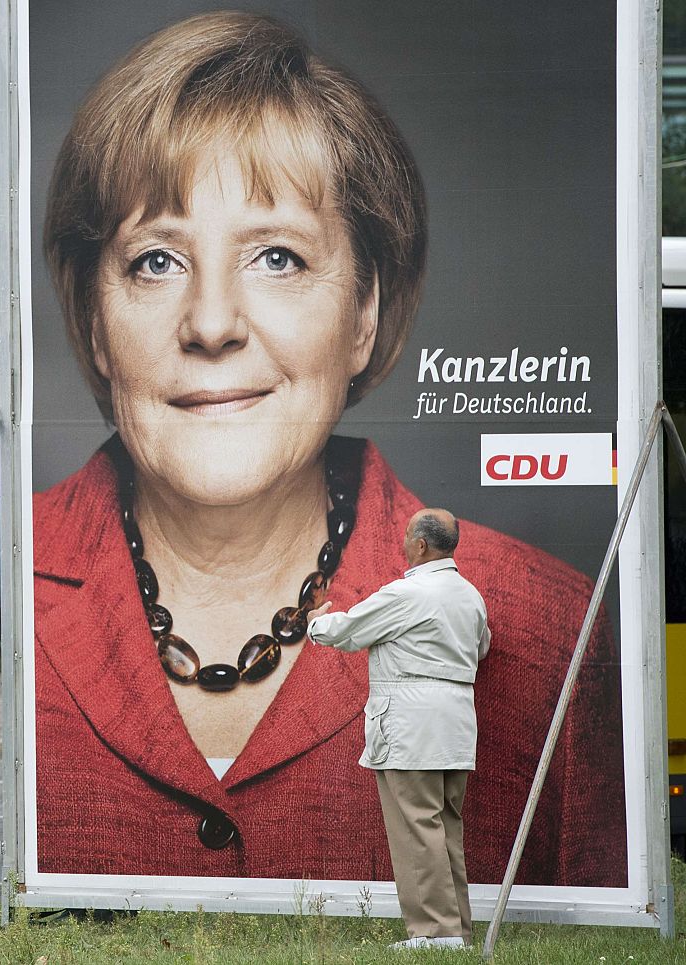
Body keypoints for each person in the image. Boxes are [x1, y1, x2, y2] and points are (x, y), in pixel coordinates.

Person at [32, 10, 623, 887]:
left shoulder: (554, 632)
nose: (211, 324)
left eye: (276, 257)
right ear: (93, 320)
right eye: (156, 260)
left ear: (365, 315)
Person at [305, 509, 489, 950]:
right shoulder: (470, 596)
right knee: (445, 828)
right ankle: (456, 931)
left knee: (415, 827)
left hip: (411, 723)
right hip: (456, 721)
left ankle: (433, 933)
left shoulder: (407, 593)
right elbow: (481, 648)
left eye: (407, 536)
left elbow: (347, 630)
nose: (403, 541)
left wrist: (315, 622)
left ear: (421, 545)